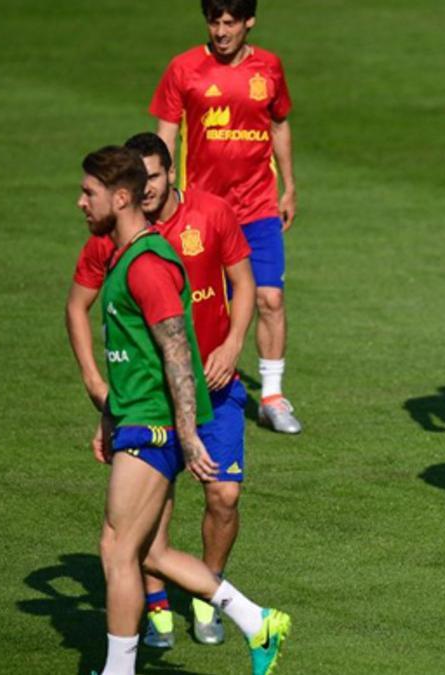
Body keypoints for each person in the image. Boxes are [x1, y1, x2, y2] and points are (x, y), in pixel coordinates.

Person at [75, 145, 289, 675]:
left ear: (119, 198)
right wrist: (108, 411)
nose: (80, 202)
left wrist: (188, 432)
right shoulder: (123, 255)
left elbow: (177, 352)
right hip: (136, 416)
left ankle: (119, 670)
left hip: (153, 424)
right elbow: (138, 354)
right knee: (144, 551)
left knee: (119, 549)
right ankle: (256, 619)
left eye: (89, 193)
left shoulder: (147, 265)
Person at [151, 0, 301, 433]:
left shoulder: (270, 68)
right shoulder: (184, 69)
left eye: (230, 22)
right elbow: (166, 132)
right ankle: (193, 388)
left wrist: (288, 185)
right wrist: (161, 192)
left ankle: (271, 397)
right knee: (205, 302)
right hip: (203, 209)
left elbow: (279, 124)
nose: (220, 31)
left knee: (270, 299)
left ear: (249, 21)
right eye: (214, 22)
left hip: (258, 206)